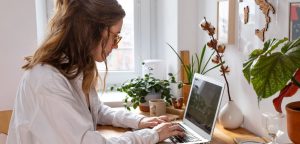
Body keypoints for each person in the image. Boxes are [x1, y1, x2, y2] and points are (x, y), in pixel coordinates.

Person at [6, 0, 184, 143]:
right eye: (115, 36)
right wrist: (151, 135)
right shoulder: (47, 80)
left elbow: (96, 111)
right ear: (90, 31)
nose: (115, 45)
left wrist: (139, 121)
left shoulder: (76, 68)